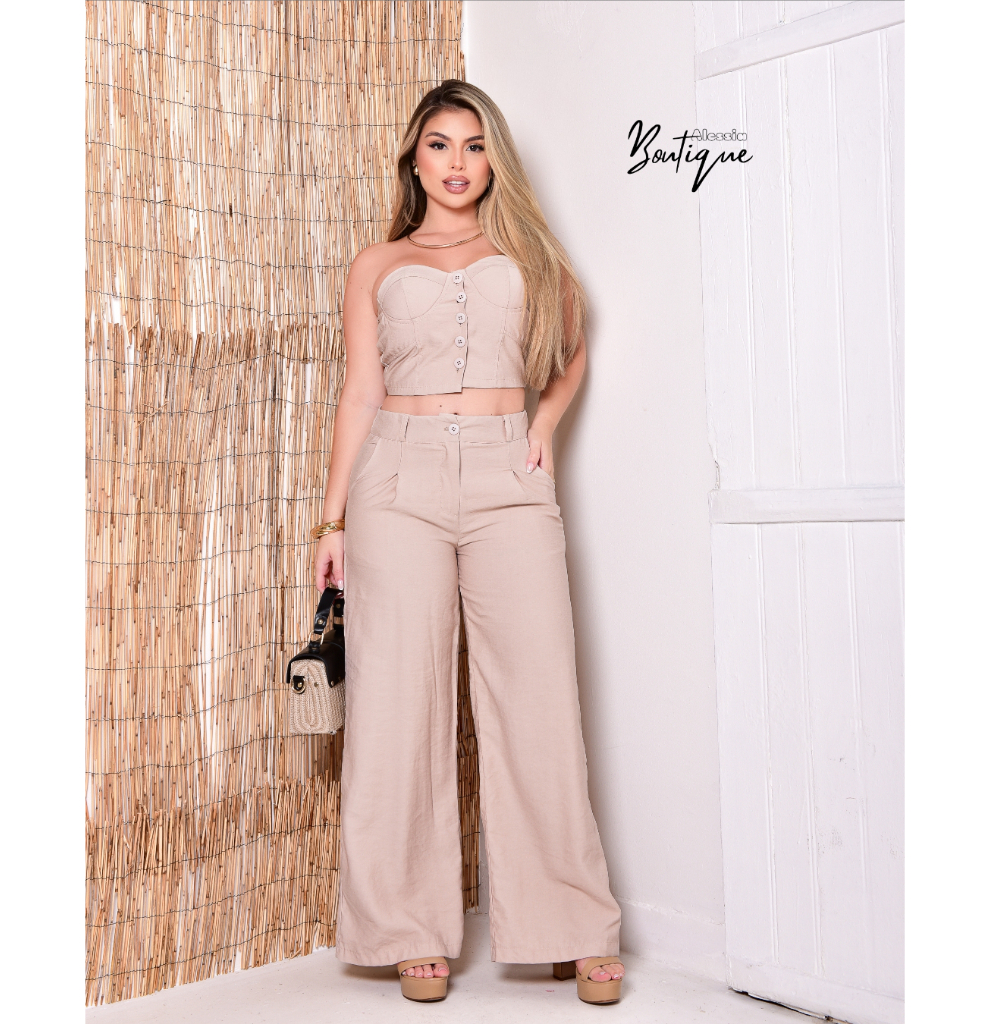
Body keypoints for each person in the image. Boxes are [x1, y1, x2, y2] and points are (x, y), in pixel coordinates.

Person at [313, 79, 625, 1006]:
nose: (458, 162)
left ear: (495, 161)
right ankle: (409, 929)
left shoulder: (526, 251)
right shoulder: (376, 263)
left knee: (539, 696)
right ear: (414, 159)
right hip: (396, 482)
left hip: (504, 477)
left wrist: (544, 427)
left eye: (475, 145)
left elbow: (573, 344)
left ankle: (573, 925)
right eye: (441, 145)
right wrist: (331, 521)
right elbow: (360, 392)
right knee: (397, 704)